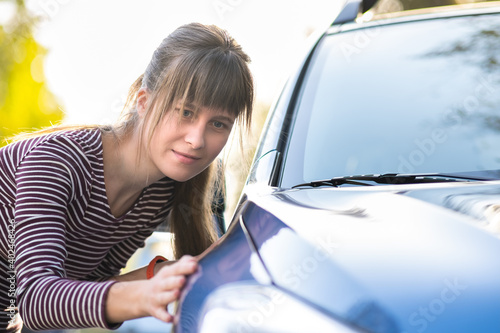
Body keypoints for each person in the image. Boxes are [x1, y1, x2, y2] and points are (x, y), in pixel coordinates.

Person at [0, 22, 253, 332]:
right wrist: (142, 296)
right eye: (185, 112)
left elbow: (85, 290)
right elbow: (37, 300)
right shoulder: (58, 160)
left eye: (218, 124)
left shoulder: (158, 194)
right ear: (143, 102)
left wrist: (170, 273)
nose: (197, 139)